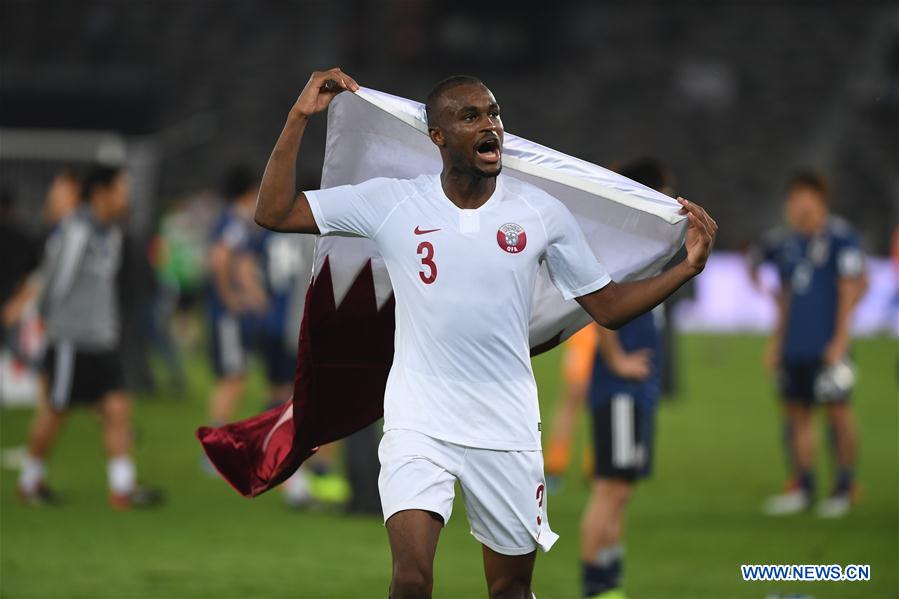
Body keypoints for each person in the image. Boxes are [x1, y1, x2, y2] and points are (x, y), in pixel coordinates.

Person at [252, 68, 717, 597]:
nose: (489, 124)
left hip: (507, 428)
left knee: (511, 589)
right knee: (410, 579)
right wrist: (297, 118)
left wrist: (685, 269)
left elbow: (607, 307)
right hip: (418, 423)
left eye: (493, 113)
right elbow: (274, 212)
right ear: (438, 136)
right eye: (470, 116)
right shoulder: (394, 203)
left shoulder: (540, 213)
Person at [12, 164, 161, 509]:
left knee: (118, 408)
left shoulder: (109, 232)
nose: (128, 197)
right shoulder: (76, 231)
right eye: (122, 190)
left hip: (100, 340)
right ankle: (29, 481)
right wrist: (55, 326)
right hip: (71, 340)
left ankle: (122, 489)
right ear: (101, 193)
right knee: (55, 411)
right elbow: (52, 285)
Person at [579, 159, 671, 599]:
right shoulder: (623, 246)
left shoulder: (642, 243)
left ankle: (609, 582)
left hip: (636, 392)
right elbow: (599, 301)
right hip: (619, 391)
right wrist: (617, 361)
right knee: (610, 489)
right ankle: (595, 586)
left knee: (620, 490)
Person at [755, 171, 867, 518]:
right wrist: (776, 341)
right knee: (797, 414)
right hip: (794, 345)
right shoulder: (789, 244)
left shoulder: (840, 238)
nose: (798, 205)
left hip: (828, 345)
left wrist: (840, 339)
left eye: (804, 197)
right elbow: (787, 297)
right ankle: (803, 486)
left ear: (820, 200)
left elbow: (854, 287)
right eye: (793, 198)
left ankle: (844, 487)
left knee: (838, 413)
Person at [203, 166, 268, 441]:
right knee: (233, 378)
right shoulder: (236, 222)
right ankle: (214, 446)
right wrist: (230, 296)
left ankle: (217, 443)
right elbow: (219, 258)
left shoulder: (233, 221)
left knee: (234, 377)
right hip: (226, 316)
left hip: (226, 314)